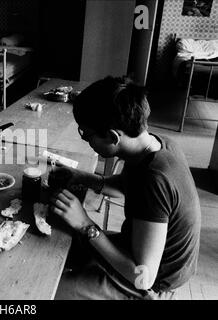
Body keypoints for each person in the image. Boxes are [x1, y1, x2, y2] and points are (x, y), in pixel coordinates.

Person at [49, 76, 201, 300]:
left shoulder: (154, 180)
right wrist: (81, 177)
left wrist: (85, 224)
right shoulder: (157, 144)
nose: (86, 141)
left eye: (87, 135)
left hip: (152, 283)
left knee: (45, 291)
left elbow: (143, 277)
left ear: (112, 136)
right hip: (139, 252)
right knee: (56, 243)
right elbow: (125, 187)